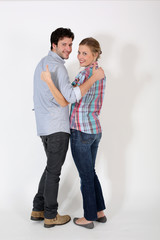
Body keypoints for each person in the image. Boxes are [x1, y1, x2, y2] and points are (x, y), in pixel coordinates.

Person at [31, 28, 105, 229]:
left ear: (95, 54)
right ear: (54, 44)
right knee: (57, 172)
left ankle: (39, 208)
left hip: (49, 126)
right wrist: (93, 78)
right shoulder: (84, 72)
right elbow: (69, 98)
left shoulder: (42, 64)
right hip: (61, 127)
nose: (70, 50)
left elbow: (68, 96)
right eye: (65, 44)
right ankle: (50, 215)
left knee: (55, 170)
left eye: (72, 45)